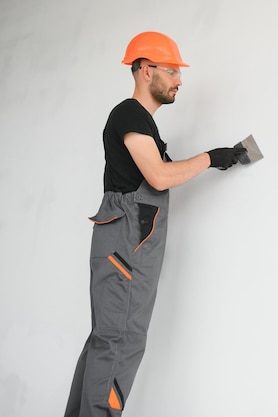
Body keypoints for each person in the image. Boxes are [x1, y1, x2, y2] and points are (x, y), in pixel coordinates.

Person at [64, 31, 246, 417]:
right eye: (173, 71)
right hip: (125, 248)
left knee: (106, 342)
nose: (180, 79)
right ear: (146, 70)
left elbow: (159, 172)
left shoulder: (143, 124)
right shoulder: (129, 113)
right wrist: (211, 157)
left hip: (126, 246)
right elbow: (159, 177)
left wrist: (217, 158)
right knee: (119, 342)